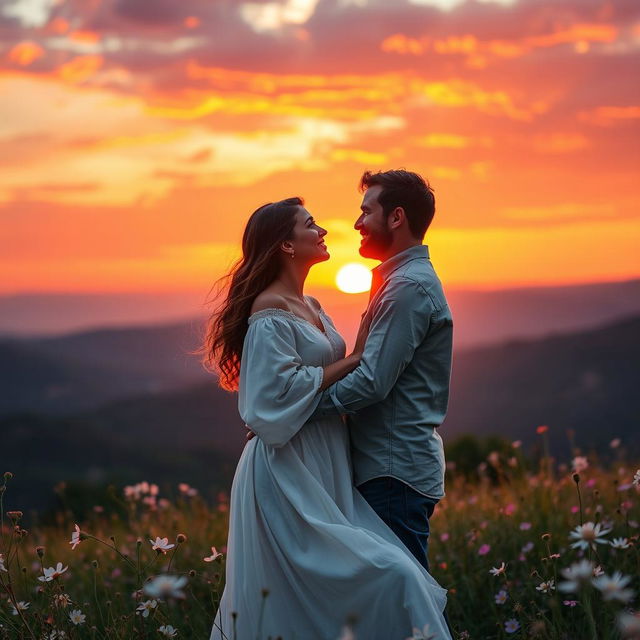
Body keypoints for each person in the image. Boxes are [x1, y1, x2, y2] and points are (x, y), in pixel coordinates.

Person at [205, 196, 451, 640]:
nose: (323, 231)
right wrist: (356, 359)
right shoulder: (268, 312)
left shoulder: (312, 304)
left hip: (326, 462)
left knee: (350, 585)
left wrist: (357, 360)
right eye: (310, 224)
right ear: (285, 244)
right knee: (385, 575)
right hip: (287, 467)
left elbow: (315, 377)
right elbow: (270, 398)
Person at [311, 169, 453, 574]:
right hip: (390, 469)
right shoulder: (399, 281)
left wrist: (297, 409)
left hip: (392, 473)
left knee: (402, 601)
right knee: (393, 596)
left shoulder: (407, 286)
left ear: (396, 218)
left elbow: (372, 382)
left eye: (365, 212)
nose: (357, 223)